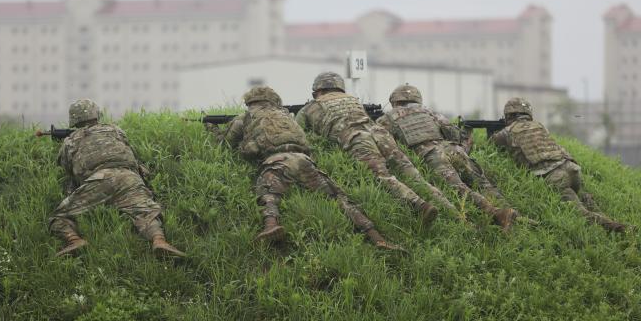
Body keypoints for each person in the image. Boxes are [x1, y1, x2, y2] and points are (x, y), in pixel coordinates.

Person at [208, 86, 404, 251]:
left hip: (277, 161)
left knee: (268, 193)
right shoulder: (286, 116)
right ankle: (376, 236)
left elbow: (225, 144)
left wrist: (214, 130)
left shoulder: (246, 117)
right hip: (304, 160)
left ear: (250, 102)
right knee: (339, 198)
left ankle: (271, 226)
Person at [296, 72, 458, 224]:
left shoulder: (310, 107)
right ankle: (453, 211)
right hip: (379, 133)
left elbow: (299, 136)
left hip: (356, 137)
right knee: (413, 174)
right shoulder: (352, 99)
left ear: (318, 91)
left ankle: (420, 205)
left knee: (382, 175)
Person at [48, 99, 186, 257]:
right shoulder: (115, 130)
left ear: (74, 119)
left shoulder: (70, 140)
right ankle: (159, 240)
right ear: (96, 114)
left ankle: (74, 240)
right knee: (147, 212)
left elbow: (67, 168)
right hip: (129, 177)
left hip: (98, 181)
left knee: (59, 216)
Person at [377, 84, 519, 230]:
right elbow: (455, 133)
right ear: (417, 100)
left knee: (459, 188)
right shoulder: (429, 112)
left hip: (432, 154)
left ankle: (497, 213)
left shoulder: (387, 118)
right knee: (483, 182)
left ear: (394, 101)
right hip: (453, 149)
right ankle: (515, 214)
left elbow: (384, 144)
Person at [491, 97, 628, 233]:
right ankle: (598, 210)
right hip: (572, 169)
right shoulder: (540, 126)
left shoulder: (508, 131)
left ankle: (618, 228)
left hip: (556, 176)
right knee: (580, 195)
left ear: (508, 115)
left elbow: (491, 143)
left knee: (580, 213)